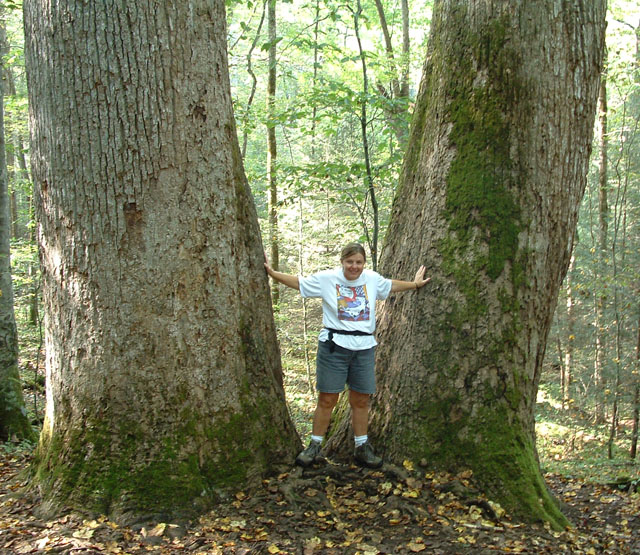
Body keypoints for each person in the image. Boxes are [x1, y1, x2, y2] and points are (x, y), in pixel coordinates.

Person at [264, 242, 430, 468]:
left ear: (364, 263)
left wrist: (415, 284)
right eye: (350, 262)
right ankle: (314, 446)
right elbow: (299, 283)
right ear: (342, 262)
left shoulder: (371, 279)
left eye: (358, 262)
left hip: (364, 347)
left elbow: (390, 286)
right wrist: (273, 273)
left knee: (361, 399)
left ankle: (361, 447)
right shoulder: (327, 279)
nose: (354, 266)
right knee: (328, 398)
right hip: (334, 346)